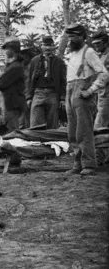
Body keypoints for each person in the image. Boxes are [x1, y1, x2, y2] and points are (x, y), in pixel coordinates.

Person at [64, 23, 108, 176]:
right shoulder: (71, 54)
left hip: (83, 94)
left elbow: (104, 74)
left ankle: (89, 164)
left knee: (84, 131)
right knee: (72, 132)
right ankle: (77, 164)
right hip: (70, 92)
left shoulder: (88, 52)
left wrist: (91, 90)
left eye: (75, 36)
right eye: (69, 36)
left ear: (83, 36)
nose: (71, 39)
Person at [0, 38, 27, 172]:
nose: (5, 51)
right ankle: (11, 159)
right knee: (9, 131)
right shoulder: (12, 66)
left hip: (13, 103)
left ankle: (15, 160)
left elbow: (1, 83)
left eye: (7, 49)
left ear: (12, 50)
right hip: (9, 102)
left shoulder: (16, 67)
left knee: (13, 132)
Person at [26, 36, 66, 129]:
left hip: (53, 94)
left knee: (52, 124)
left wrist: (62, 98)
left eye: (50, 45)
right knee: (35, 124)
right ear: (41, 47)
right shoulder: (34, 61)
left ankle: (51, 142)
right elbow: (29, 79)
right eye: (45, 45)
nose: (47, 48)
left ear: (53, 47)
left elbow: (63, 81)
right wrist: (29, 97)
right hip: (38, 93)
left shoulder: (59, 62)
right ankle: (36, 143)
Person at [90, 28, 109, 167]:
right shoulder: (99, 55)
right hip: (102, 95)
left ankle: (98, 158)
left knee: (99, 127)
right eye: (94, 43)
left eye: (99, 43)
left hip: (105, 94)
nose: (96, 46)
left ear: (105, 42)